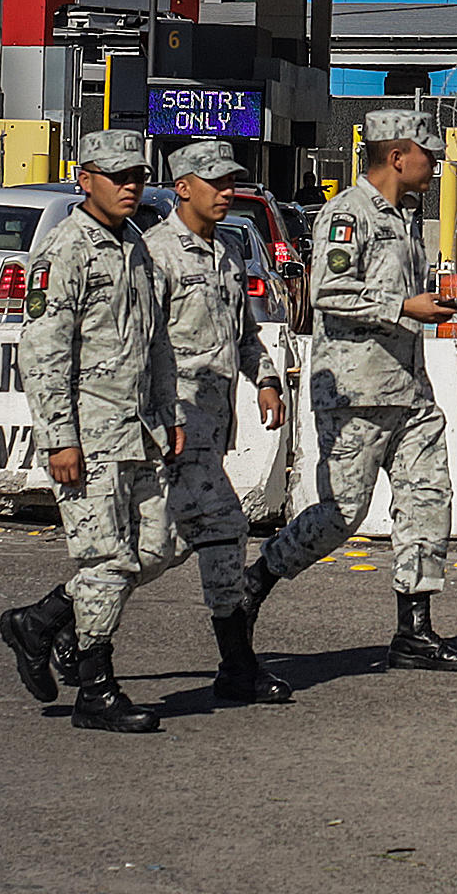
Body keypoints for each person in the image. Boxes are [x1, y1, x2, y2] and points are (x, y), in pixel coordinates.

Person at [242, 111, 457, 672]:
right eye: (428, 154)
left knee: (427, 501)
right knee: (341, 514)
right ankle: (255, 582)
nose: (435, 163)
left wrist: (431, 303)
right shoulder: (348, 213)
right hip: (357, 392)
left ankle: (414, 629)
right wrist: (405, 307)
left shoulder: (404, 218)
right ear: (398, 156)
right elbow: (329, 290)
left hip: (409, 390)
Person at [0, 129, 185, 733]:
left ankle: (46, 619)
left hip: (140, 430)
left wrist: (168, 414)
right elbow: (43, 352)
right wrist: (59, 437)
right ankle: (96, 689)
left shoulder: (134, 244)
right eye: (118, 176)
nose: (131, 186)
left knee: (157, 548)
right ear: (85, 179)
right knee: (104, 558)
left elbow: (155, 343)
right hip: (89, 433)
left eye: (137, 176)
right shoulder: (64, 251)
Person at [141, 140, 294, 704]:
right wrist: (156, 420)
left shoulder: (226, 251)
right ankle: (236, 667)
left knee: (162, 540)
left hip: (211, 423)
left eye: (232, 182)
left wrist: (269, 379)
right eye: (216, 183)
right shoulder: (155, 255)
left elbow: (242, 334)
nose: (227, 193)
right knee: (219, 530)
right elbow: (141, 345)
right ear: (183, 187)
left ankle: (49, 621)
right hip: (176, 423)